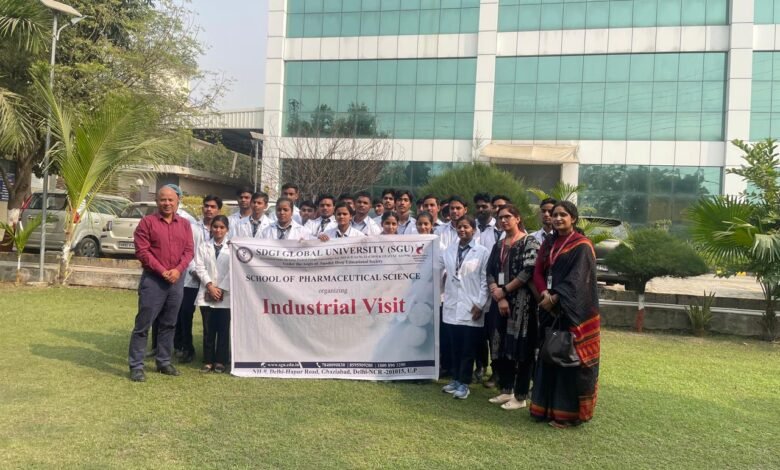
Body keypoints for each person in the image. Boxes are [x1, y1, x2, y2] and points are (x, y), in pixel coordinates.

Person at [530, 200, 600, 428]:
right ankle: (543, 409)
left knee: (568, 360)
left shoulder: (582, 245)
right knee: (548, 355)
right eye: (554, 214)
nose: (557, 218)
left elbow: (578, 279)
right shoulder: (549, 242)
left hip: (572, 313)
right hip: (549, 310)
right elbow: (538, 271)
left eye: (563, 214)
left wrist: (555, 297)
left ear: (573, 219)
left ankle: (567, 415)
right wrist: (544, 293)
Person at [128, 186, 194, 382]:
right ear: (157, 201)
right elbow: (142, 251)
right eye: (163, 199)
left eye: (170, 200)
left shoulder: (185, 224)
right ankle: (136, 366)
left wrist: (178, 270)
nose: (167, 203)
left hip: (176, 280)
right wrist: (162, 271)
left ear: (177, 201)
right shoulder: (147, 223)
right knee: (143, 324)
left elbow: (189, 251)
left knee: (169, 323)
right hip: (153, 280)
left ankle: (164, 361)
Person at [486, 205, 540, 410]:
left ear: (517, 218)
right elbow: (490, 271)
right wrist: (498, 295)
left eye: (508, 216)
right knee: (502, 346)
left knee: (522, 349)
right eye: (500, 217)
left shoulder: (529, 242)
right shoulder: (498, 245)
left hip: (523, 305)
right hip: (500, 303)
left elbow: (528, 271)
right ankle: (506, 389)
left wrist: (505, 291)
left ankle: (520, 395)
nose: (503, 220)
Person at [439, 215, 490, 400]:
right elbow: (438, 269)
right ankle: (455, 379)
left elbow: (485, 280)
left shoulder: (482, 252)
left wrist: (480, 304)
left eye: (466, 227)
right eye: (459, 227)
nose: (462, 230)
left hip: (471, 306)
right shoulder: (449, 250)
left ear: (473, 230)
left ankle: (464, 383)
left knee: (468, 349)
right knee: (455, 347)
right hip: (452, 304)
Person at [174, 195, 221, 364]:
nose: (209, 209)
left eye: (213, 206)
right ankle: (187, 348)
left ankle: (209, 354)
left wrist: (208, 278)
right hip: (191, 279)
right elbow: (187, 251)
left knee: (209, 318)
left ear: (218, 210)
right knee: (185, 314)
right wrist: (194, 270)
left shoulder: (222, 228)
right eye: (206, 206)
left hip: (212, 282)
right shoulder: (192, 227)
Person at [194, 215, 232, 373]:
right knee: (208, 329)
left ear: (227, 229)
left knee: (223, 329)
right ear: (211, 228)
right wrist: (210, 286)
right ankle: (208, 360)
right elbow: (199, 267)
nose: (218, 230)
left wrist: (221, 288)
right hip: (207, 292)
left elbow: (233, 270)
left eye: (222, 227)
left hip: (226, 294)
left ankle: (221, 361)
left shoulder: (232, 248)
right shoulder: (203, 246)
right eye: (215, 226)